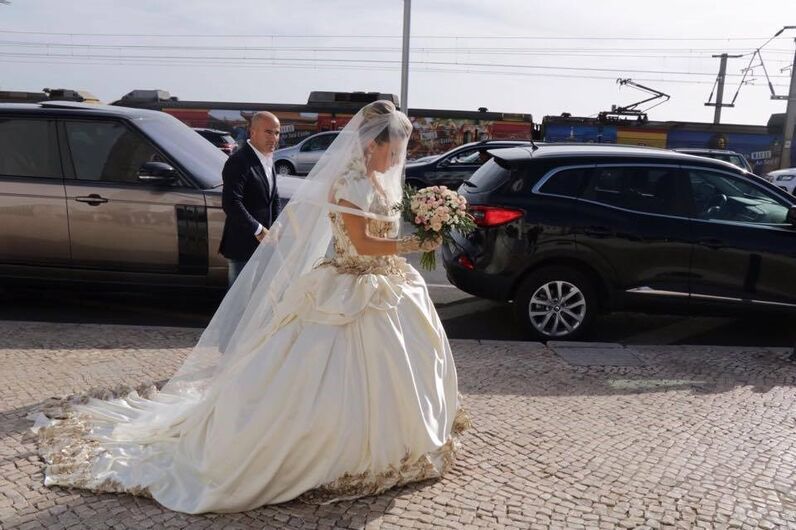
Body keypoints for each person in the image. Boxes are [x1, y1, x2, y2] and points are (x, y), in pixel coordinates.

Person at [32, 100, 468, 514]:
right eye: (391, 152)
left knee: (395, 361)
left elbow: (381, 231)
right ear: (371, 144)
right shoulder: (349, 182)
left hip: (383, 282)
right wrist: (416, 242)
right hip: (349, 285)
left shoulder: (376, 179)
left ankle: (400, 438)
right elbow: (361, 242)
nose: (396, 161)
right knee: (321, 370)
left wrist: (420, 227)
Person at [219, 111, 281, 286]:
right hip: (243, 248)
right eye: (268, 132)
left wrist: (276, 225)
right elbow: (231, 203)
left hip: (265, 247)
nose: (274, 138)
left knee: (256, 305)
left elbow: (273, 196)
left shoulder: (268, 159)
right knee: (239, 306)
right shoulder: (239, 161)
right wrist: (259, 230)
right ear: (252, 133)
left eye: (277, 133)